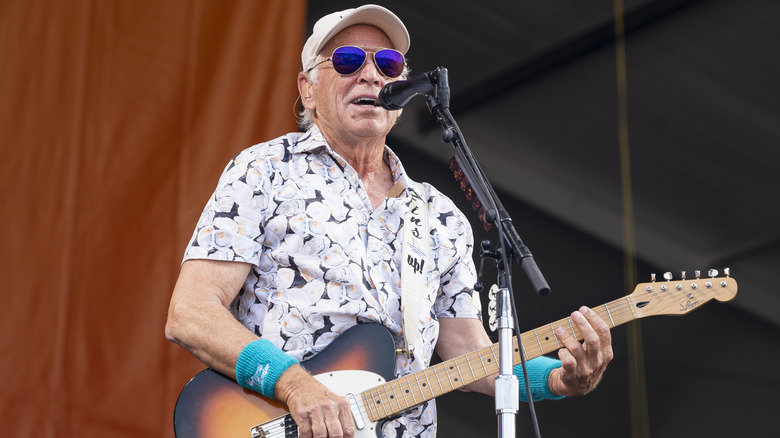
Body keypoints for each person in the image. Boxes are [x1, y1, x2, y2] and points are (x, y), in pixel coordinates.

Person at [165, 4, 613, 438]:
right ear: (307, 89)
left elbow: (469, 354)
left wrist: (556, 379)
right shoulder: (265, 170)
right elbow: (191, 313)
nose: (370, 73)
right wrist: (295, 385)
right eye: (346, 60)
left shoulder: (440, 218)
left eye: (388, 63)